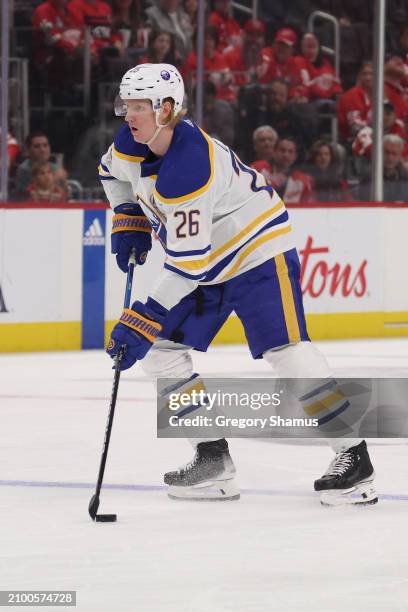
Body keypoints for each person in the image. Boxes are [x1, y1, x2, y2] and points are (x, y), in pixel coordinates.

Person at [99, 62, 377, 507]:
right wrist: (127, 215)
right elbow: (111, 175)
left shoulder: (189, 166)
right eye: (124, 105)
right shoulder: (131, 142)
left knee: (287, 351)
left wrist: (144, 316)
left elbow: (187, 264)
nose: (127, 116)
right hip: (205, 261)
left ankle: (354, 458)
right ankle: (211, 458)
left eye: (137, 106)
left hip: (256, 253)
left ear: (167, 108)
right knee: (161, 352)